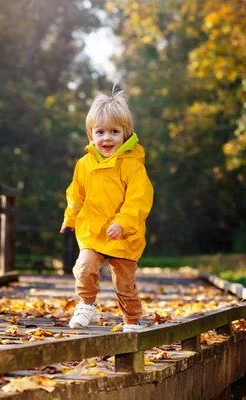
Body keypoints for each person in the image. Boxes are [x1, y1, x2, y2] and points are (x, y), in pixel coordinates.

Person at [60, 84, 154, 332]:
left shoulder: (133, 166)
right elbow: (75, 193)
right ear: (91, 134)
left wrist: (123, 223)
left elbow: (139, 200)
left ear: (126, 133)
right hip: (93, 230)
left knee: (124, 284)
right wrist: (70, 216)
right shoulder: (84, 164)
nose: (107, 138)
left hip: (124, 235)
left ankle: (132, 320)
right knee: (84, 267)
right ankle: (86, 303)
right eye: (100, 132)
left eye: (114, 131)